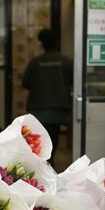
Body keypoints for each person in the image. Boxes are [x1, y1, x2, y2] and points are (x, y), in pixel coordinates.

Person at [22, 29, 73, 167]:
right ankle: (50, 161)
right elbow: (75, 82)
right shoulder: (66, 61)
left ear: (41, 44)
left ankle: (43, 162)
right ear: (56, 43)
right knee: (54, 135)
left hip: (38, 108)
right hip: (59, 108)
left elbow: (25, 83)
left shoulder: (35, 62)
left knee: (39, 136)